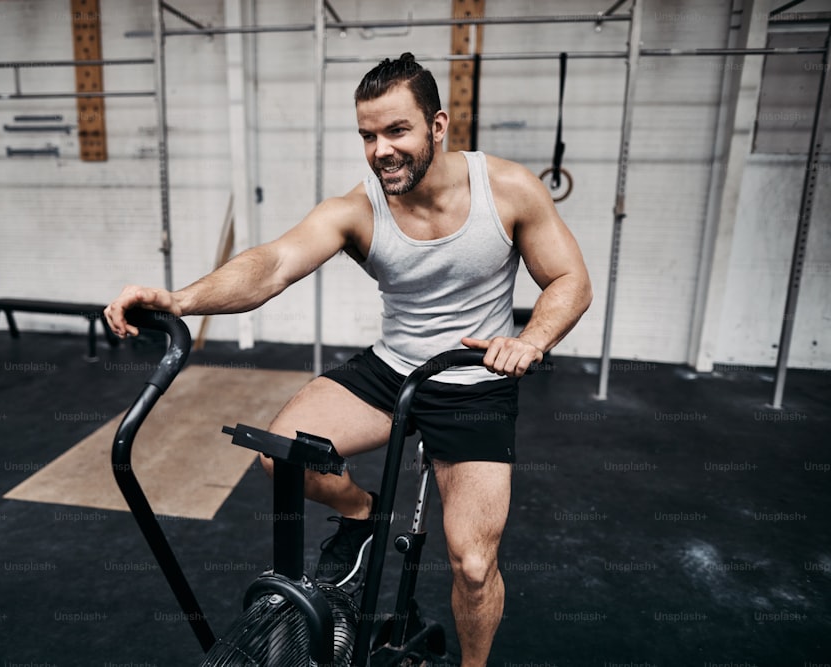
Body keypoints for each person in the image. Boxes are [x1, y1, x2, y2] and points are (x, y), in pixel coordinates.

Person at [104, 53, 592, 666]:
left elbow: (570, 278)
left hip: (475, 380)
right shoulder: (358, 210)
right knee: (279, 454)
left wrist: (531, 340)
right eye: (368, 135)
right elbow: (272, 264)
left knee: (472, 564)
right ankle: (362, 516)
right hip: (392, 371)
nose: (381, 150)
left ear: (437, 127)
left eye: (396, 131)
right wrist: (179, 298)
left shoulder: (509, 189)